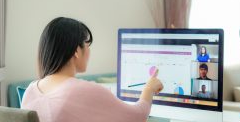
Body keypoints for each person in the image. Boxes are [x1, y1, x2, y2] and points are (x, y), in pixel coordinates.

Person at [21, 17, 163, 122]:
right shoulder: (84, 90)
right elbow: (136, 117)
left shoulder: (30, 91)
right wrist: (149, 88)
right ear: (77, 51)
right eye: (87, 45)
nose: (89, 51)